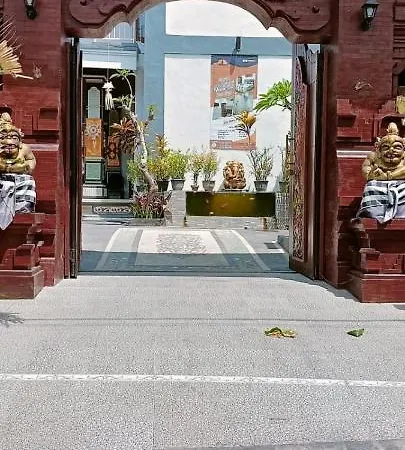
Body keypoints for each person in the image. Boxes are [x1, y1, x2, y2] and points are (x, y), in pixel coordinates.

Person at [358, 122, 405, 223]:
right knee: (370, 187)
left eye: (397, 147)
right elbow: (366, 169)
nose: (391, 150)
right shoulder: (373, 156)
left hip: (402, 185)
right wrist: (371, 174)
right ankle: (375, 211)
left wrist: (389, 176)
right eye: (386, 147)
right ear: (379, 149)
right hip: (378, 186)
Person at [0, 112, 36, 230]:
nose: (9, 142)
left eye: (14, 138)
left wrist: (28, 167)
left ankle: (23, 206)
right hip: (2, 178)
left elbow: (31, 159)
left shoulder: (24, 149)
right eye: (3, 138)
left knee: (28, 182)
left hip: (20, 178)